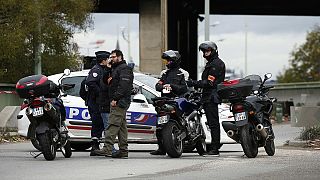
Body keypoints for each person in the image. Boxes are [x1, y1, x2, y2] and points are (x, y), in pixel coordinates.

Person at [187, 41, 225, 156]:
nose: (205, 54)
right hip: (207, 96)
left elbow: (209, 83)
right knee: (209, 122)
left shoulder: (216, 64)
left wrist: (193, 83)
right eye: (204, 51)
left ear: (213, 51)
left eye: (207, 51)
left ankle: (214, 148)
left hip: (212, 96)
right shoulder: (211, 63)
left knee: (213, 123)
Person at [94, 49, 134, 158]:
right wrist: (107, 68)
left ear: (120, 57)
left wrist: (116, 98)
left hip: (119, 101)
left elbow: (124, 85)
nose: (111, 59)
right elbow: (104, 81)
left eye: (113, 57)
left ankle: (107, 148)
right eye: (110, 57)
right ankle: (123, 150)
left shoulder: (124, 69)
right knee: (121, 126)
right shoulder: (114, 68)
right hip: (116, 100)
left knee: (112, 124)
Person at [150, 50, 188, 155]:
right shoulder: (164, 73)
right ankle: (161, 148)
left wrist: (172, 86)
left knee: (183, 121)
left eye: (168, 60)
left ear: (174, 60)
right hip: (165, 102)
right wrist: (163, 86)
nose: (166, 63)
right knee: (159, 125)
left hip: (178, 101)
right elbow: (158, 85)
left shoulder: (182, 73)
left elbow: (185, 88)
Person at [86, 51, 110, 156]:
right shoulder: (96, 70)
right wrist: (100, 92)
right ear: (103, 60)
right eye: (107, 59)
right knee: (97, 123)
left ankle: (99, 145)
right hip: (95, 102)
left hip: (100, 102)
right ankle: (94, 146)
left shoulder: (103, 69)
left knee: (100, 123)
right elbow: (90, 82)